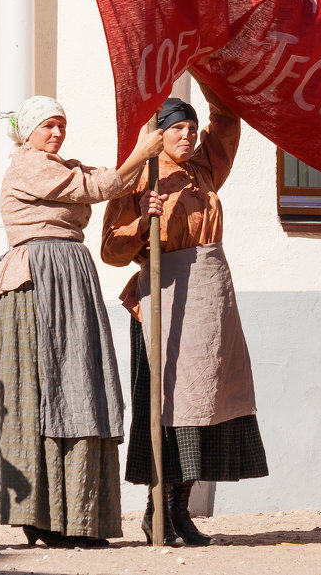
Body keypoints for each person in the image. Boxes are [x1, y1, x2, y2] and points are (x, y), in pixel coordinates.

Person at [0, 96, 163, 547]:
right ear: (28, 132)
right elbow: (96, 187)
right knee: (40, 392)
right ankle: (41, 516)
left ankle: (81, 516)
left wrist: (144, 202)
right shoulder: (29, 165)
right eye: (48, 125)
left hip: (71, 279)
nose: (57, 133)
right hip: (36, 283)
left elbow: (105, 184)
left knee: (82, 387)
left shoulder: (65, 167)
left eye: (62, 125)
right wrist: (140, 155)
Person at [102, 89, 269, 547]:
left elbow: (228, 117)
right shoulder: (139, 177)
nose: (188, 134)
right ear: (158, 133)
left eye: (191, 128)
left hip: (210, 302)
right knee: (169, 409)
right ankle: (157, 509)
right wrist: (141, 221)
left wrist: (207, 63)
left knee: (207, 406)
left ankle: (181, 506)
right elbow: (111, 251)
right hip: (163, 300)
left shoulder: (205, 167)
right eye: (177, 127)